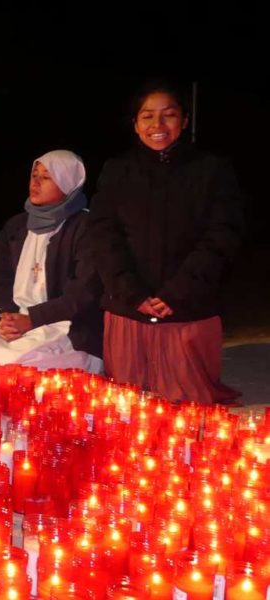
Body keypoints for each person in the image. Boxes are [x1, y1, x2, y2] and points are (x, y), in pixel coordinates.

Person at [88, 81, 243, 404]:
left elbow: (222, 236)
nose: (157, 125)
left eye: (168, 115)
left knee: (189, 407)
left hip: (189, 305)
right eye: (147, 116)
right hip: (129, 308)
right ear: (135, 123)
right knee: (128, 406)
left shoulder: (212, 170)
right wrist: (132, 292)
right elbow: (103, 235)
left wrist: (178, 291)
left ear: (184, 121)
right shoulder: (117, 171)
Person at [0, 150, 103, 372]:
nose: (36, 182)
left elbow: (84, 293)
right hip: (16, 324)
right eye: (34, 175)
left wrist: (32, 319)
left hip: (65, 328)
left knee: (15, 368)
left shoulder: (86, 228)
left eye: (46, 177)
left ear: (68, 184)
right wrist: (3, 317)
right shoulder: (17, 227)